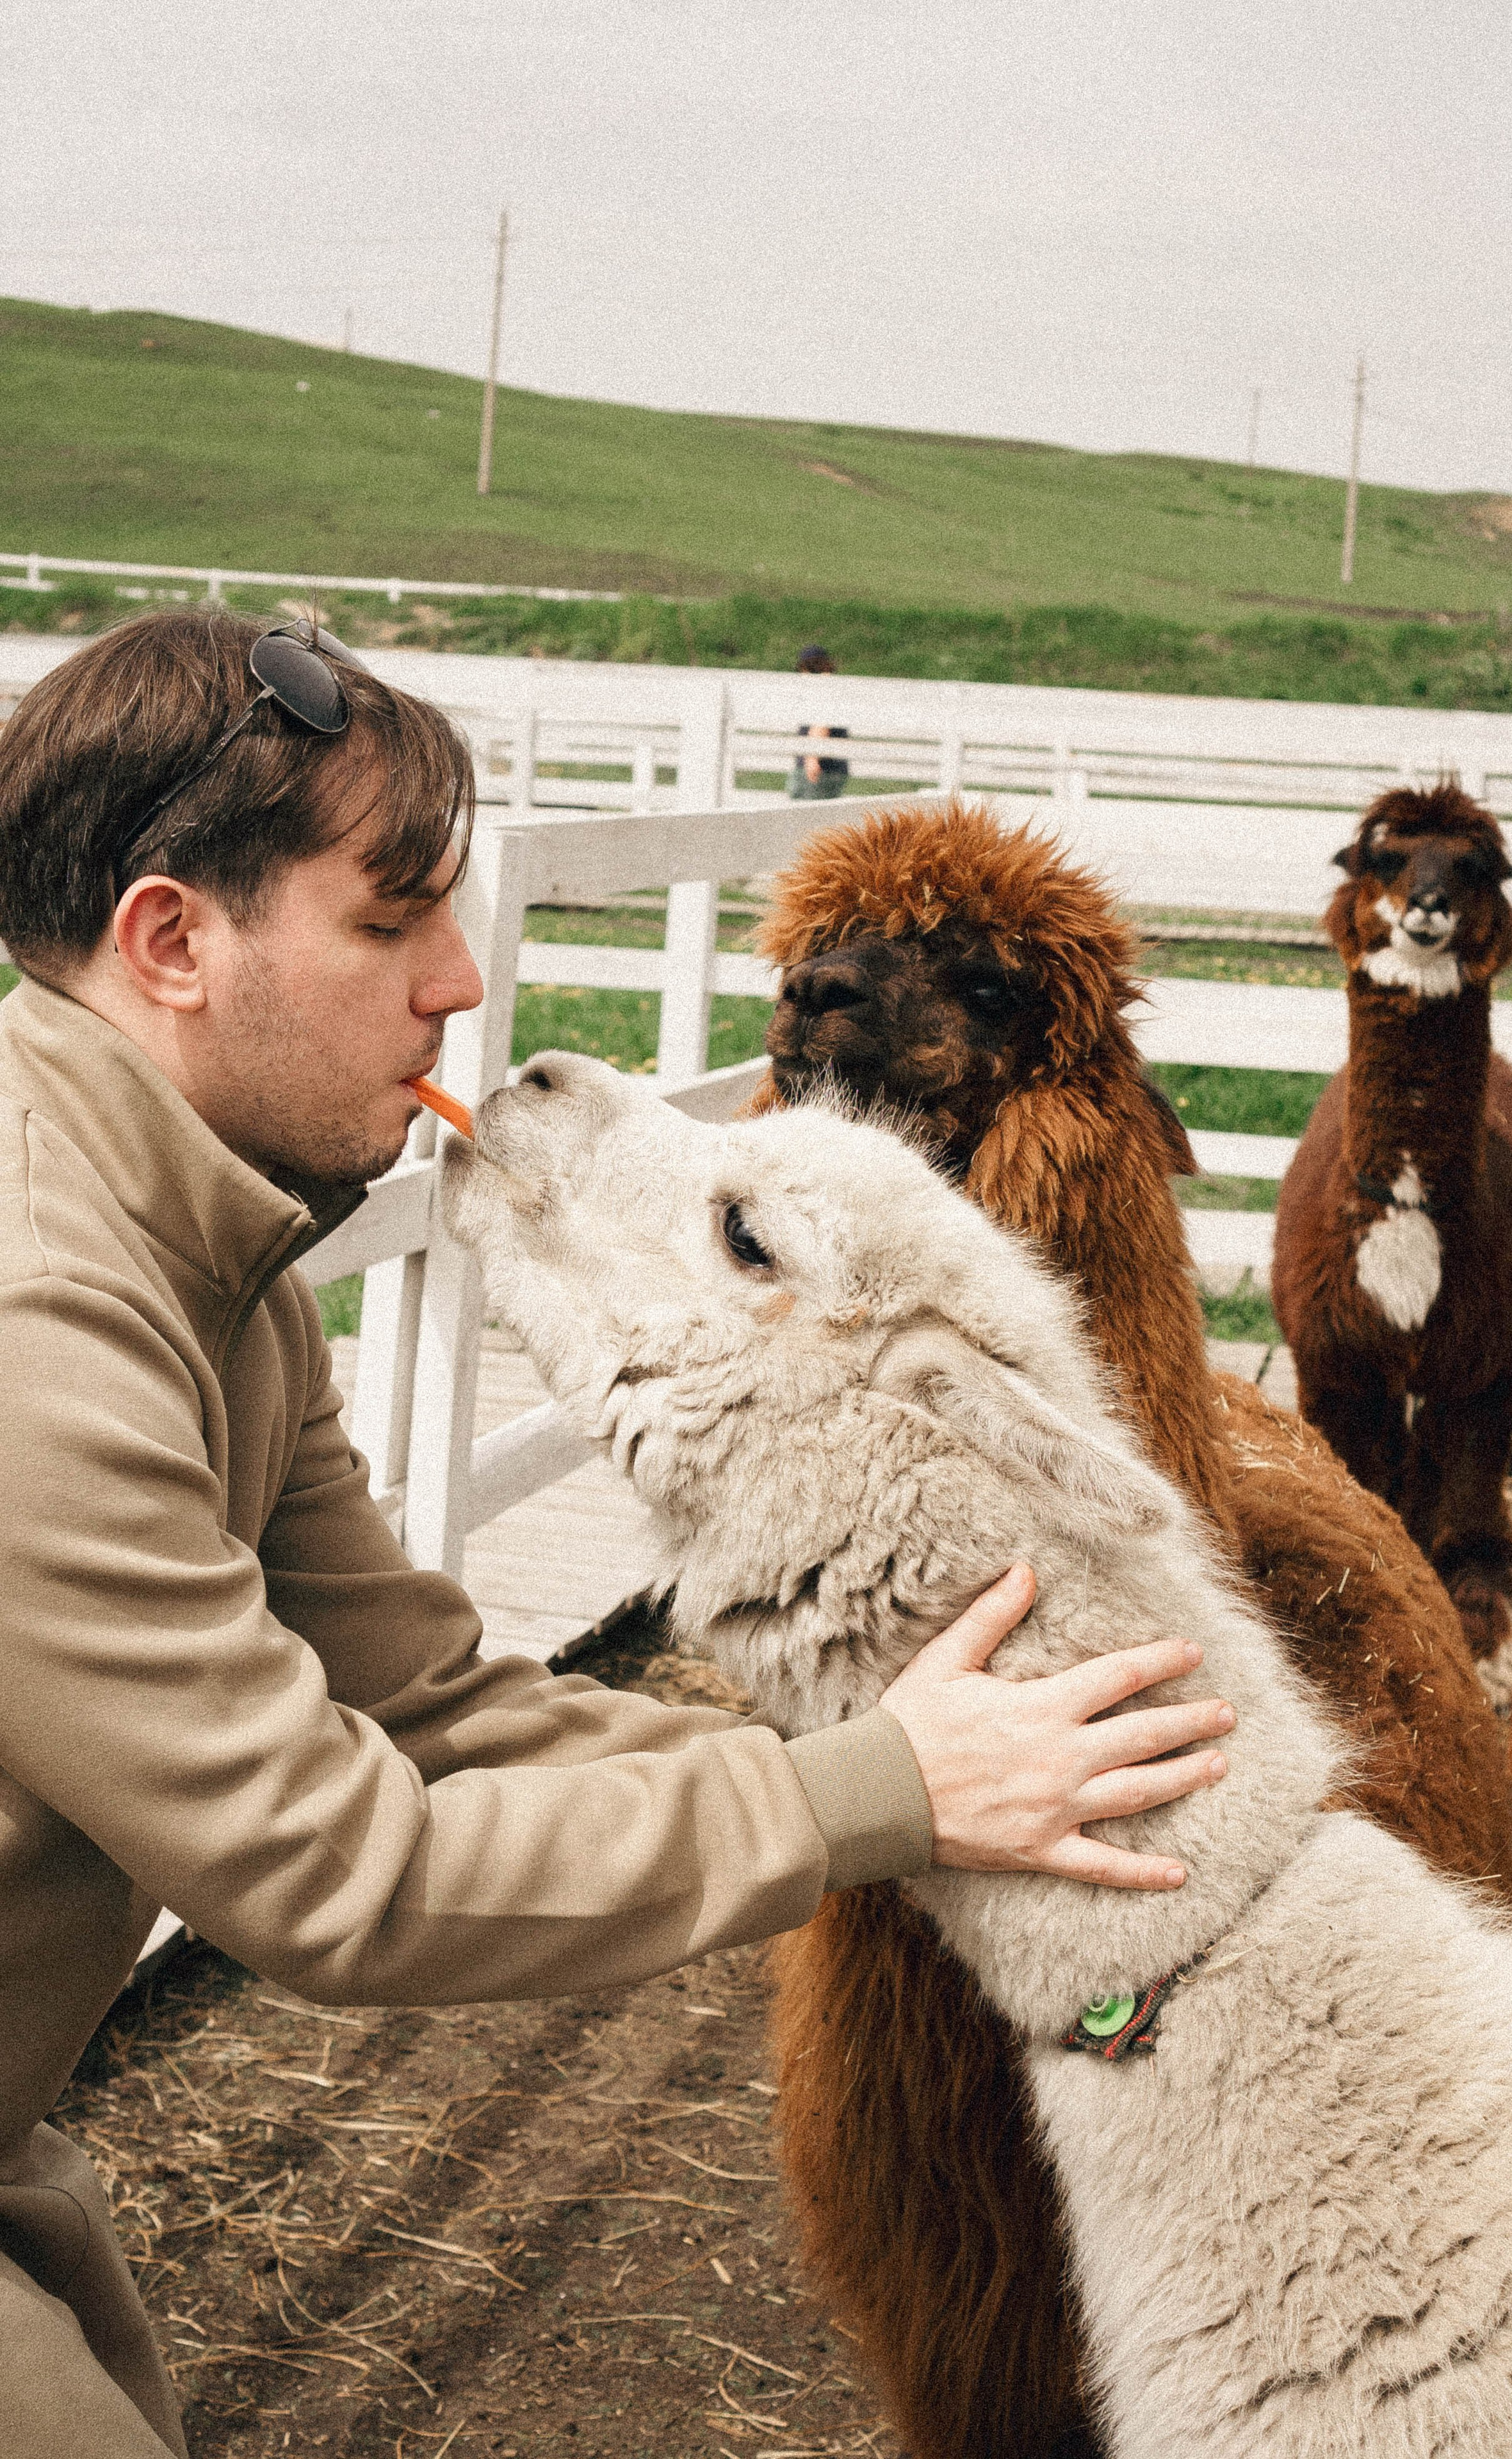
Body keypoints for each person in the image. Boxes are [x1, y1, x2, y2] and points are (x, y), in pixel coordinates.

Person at [0, 610, 1235, 2458]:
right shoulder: (43, 1331)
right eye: (392, 916)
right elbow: (339, 1871)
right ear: (173, 940)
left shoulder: (221, 1278)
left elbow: (434, 1705)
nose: (459, 980)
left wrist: (921, 1798)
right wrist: (873, 1799)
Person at [788, 642, 850, 799]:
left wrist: (812, 759)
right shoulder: (834, 691)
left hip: (819, 769)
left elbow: (820, 723)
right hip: (832, 769)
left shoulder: (823, 691)